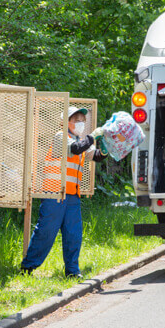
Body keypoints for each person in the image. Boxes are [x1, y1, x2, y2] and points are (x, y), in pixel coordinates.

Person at [20, 106, 107, 278]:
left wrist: (104, 148)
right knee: (46, 232)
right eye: (76, 120)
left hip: (72, 196)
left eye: (82, 120)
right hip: (55, 194)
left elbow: (95, 155)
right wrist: (92, 137)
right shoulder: (61, 137)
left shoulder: (78, 140)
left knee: (73, 235)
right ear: (65, 122)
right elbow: (75, 148)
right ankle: (27, 268)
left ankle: (72, 272)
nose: (80, 123)